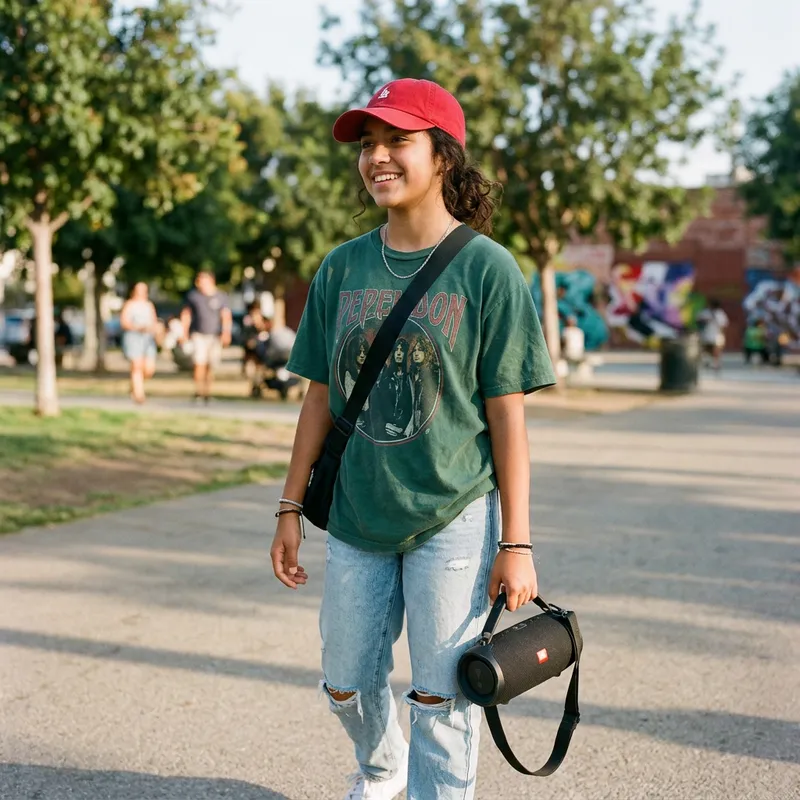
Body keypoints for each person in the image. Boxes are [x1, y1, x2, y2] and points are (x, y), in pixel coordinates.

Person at [269, 78, 556, 800]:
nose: (377, 158)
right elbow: (318, 399)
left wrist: (516, 541)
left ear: (443, 156)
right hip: (360, 513)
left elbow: (507, 416)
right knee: (344, 682)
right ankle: (379, 765)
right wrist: (288, 508)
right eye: (368, 145)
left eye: (397, 140)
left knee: (440, 697)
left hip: (454, 515)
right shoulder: (341, 267)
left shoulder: (488, 269)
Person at [180, 270, 232, 403]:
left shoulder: (220, 296)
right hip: (198, 334)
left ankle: (207, 393)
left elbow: (225, 315)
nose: (199, 283)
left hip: (214, 335)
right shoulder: (194, 297)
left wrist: (226, 332)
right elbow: (186, 314)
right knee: (199, 363)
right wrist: (184, 333)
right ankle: (198, 392)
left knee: (211, 365)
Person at [120, 283, 158, 404]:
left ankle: (134, 386)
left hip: (148, 339)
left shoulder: (149, 305)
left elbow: (154, 321)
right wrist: (137, 327)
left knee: (148, 369)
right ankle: (139, 394)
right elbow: (124, 322)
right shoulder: (129, 304)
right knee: (137, 366)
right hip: (134, 337)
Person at [698, 298, 729, 371]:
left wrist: (721, 334)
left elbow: (723, 325)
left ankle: (715, 363)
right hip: (706, 334)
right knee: (704, 349)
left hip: (717, 334)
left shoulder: (720, 313)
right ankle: (706, 361)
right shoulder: (705, 312)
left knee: (716, 349)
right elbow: (699, 320)